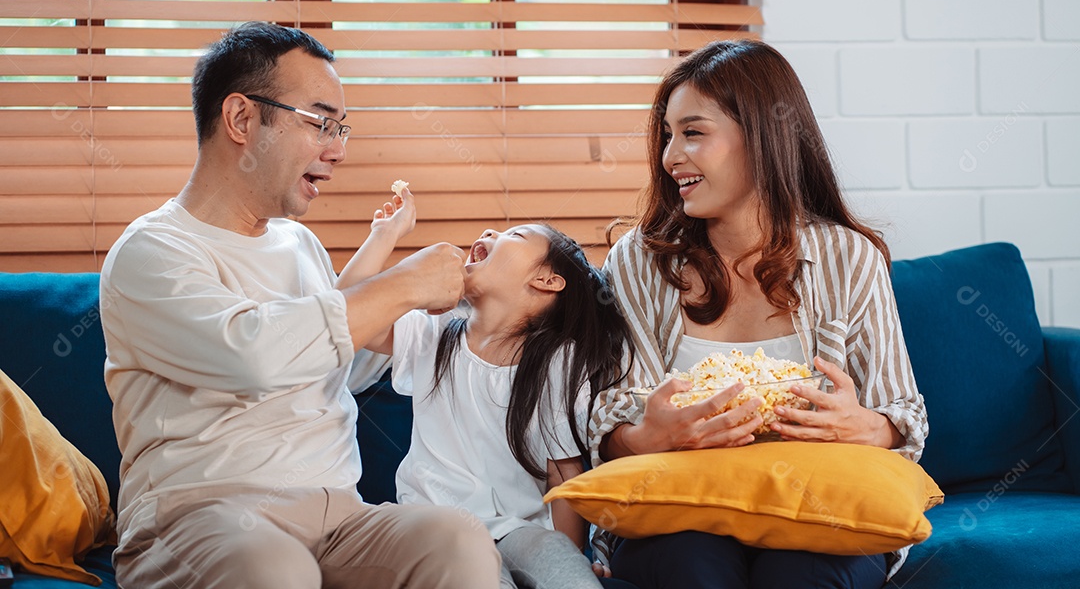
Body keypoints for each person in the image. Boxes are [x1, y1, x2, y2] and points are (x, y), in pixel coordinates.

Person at [100, 21, 501, 589]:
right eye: (320, 122)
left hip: (337, 516)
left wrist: (425, 320)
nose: (337, 150)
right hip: (197, 518)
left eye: (342, 129)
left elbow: (341, 362)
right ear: (241, 119)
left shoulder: (299, 243)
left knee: (458, 539)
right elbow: (252, 356)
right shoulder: (152, 251)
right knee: (275, 569)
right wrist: (403, 285)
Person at [590, 40, 928, 589]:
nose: (669, 157)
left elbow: (903, 413)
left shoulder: (848, 257)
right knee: (695, 569)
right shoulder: (638, 261)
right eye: (668, 135)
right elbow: (603, 417)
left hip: (815, 506)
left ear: (764, 136)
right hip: (677, 506)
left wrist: (864, 425)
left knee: (801, 575)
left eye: (693, 132)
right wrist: (647, 436)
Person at [355, 206, 632, 589]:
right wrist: (383, 235)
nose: (488, 232)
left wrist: (577, 557)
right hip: (438, 526)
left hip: (520, 529)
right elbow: (350, 313)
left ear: (546, 281)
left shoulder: (558, 362)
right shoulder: (432, 334)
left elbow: (563, 473)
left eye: (514, 236)